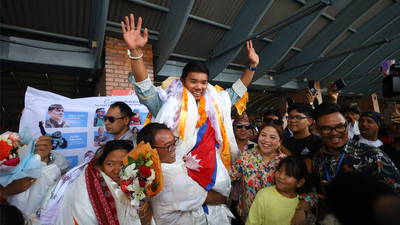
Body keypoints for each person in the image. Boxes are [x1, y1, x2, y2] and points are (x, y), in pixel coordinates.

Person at [122, 14, 258, 221]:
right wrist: (135, 52)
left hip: (209, 169)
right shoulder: (168, 102)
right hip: (176, 174)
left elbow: (235, 93)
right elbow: (145, 89)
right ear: (183, 81)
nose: (199, 87)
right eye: (193, 81)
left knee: (211, 211)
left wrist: (252, 67)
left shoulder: (215, 101)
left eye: (203, 82)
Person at [312, 102, 400, 224]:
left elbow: (395, 198)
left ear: (347, 125)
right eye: (327, 128)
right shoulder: (318, 158)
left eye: (340, 126)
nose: (335, 133)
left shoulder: (372, 155)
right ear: (317, 128)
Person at [137, 123, 228, 225]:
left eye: (174, 141)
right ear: (150, 150)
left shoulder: (141, 172)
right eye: (168, 145)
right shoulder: (172, 179)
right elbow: (216, 198)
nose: (174, 148)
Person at [230, 122, 317, 224]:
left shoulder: (286, 162)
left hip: (275, 218)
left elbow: (310, 193)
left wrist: (301, 211)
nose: (266, 140)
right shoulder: (245, 158)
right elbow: (228, 177)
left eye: (272, 137)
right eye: (263, 135)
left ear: (280, 141)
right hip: (246, 218)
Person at [55, 140, 151, 225]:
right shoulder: (84, 191)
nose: (117, 171)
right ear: (101, 164)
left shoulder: (136, 183)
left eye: (123, 165)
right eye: (110, 164)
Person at [246, 156, 313, 225]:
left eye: (288, 174)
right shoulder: (264, 195)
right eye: (279, 170)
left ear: (300, 182)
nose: (281, 176)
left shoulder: (302, 205)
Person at [282, 102, 324, 173]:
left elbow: (307, 170)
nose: (292, 120)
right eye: (290, 117)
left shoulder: (317, 142)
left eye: (298, 118)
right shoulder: (284, 143)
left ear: (309, 121)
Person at [230, 112, 256, 224]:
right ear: (233, 128)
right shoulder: (225, 148)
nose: (243, 129)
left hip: (249, 200)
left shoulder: (256, 148)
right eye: (239, 126)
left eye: (247, 126)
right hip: (231, 197)